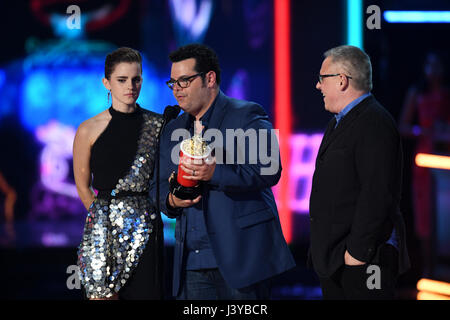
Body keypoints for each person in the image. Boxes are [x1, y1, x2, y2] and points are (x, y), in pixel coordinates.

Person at [150, 43, 295, 300]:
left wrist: (213, 172)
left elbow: (269, 169)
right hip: (191, 262)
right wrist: (171, 200)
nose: (177, 90)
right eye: (173, 83)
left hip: (240, 258)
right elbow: (157, 187)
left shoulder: (246, 114)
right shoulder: (173, 129)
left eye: (184, 81)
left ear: (210, 78)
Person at [308, 45, 410, 300]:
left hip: (363, 262)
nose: (318, 86)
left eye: (322, 78)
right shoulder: (340, 122)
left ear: (341, 80)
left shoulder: (374, 122)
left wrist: (356, 254)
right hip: (337, 261)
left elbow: (377, 194)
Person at [73, 47, 164, 300]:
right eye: (122, 80)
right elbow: (82, 186)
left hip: (146, 228)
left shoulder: (157, 126)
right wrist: (104, 223)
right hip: (102, 232)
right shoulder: (88, 129)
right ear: (107, 83)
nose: (130, 86)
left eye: (136, 79)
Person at [399, 52, 450, 277]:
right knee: (424, 211)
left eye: (437, 65)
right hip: (423, 159)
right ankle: (427, 268)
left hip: (445, 156)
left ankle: (441, 267)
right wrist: (423, 131)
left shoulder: (447, 93)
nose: (434, 70)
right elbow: (403, 126)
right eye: (430, 65)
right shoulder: (416, 93)